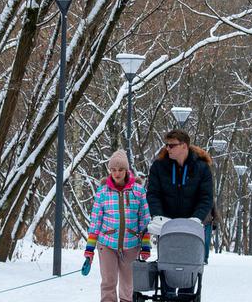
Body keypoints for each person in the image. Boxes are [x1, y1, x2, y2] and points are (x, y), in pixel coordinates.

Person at [82, 150, 152, 302]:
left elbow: (144, 221)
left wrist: (146, 246)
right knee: (108, 282)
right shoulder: (102, 192)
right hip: (107, 244)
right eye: (113, 170)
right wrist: (89, 250)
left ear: (127, 170)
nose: (117, 173)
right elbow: (95, 222)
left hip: (131, 244)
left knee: (128, 285)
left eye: (120, 170)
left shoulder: (138, 191)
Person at [145, 129, 215, 245]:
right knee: (167, 259)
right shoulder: (158, 166)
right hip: (165, 226)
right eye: (166, 145)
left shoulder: (202, 168)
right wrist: (158, 215)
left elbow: (206, 197)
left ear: (184, 146)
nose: (167, 148)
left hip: (192, 226)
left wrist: (197, 218)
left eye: (172, 145)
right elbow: (153, 194)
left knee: (189, 260)